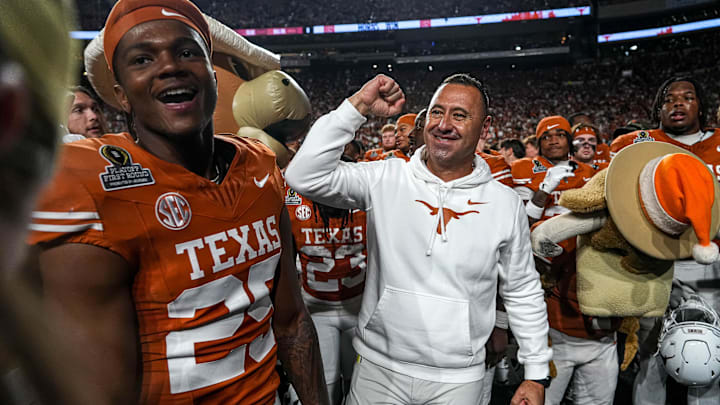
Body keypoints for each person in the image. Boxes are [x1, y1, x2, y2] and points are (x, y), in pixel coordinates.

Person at [27, 1, 329, 404]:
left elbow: (292, 323)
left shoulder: (258, 165)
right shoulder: (88, 180)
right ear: (121, 95)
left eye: (187, 51)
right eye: (142, 59)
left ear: (214, 76)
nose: (169, 66)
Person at [286, 73, 552, 405]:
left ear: (485, 129)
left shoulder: (505, 203)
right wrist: (359, 106)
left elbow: (522, 288)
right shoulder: (385, 177)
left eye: (459, 115)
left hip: (459, 378)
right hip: (378, 369)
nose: (444, 124)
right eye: (436, 112)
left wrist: (535, 373)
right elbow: (303, 175)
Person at [611, 76, 720, 405]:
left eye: (687, 97)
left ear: (701, 105)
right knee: (651, 356)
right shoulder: (640, 142)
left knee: (708, 355)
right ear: (658, 108)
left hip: (711, 267)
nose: (677, 103)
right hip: (655, 261)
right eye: (669, 98)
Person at [512, 116, 615, 405]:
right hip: (541, 266)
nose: (554, 139)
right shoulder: (522, 169)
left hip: (583, 264)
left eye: (560, 134)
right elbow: (518, 225)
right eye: (547, 136)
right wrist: (544, 190)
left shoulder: (592, 172)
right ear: (538, 141)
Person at [287, 146, 368, 403]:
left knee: (362, 389)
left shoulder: (366, 203)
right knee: (322, 388)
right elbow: (285, 261)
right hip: (316, 310)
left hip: (362, 308)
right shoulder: (293, 202)